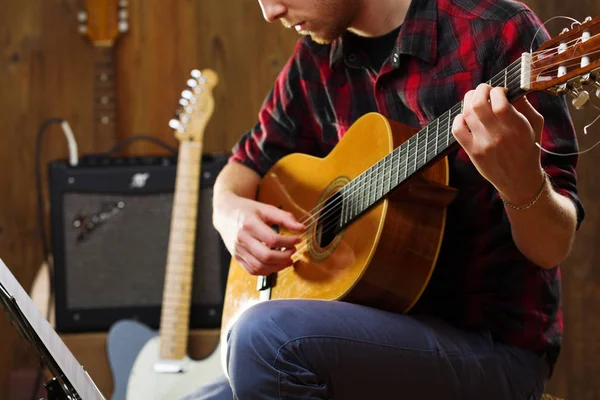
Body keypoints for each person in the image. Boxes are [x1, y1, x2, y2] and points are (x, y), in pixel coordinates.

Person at [187, 0, 585, 399]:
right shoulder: (317, 54)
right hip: (348, 336)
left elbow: (552, 246)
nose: (269, 11)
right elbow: (246, 164)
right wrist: (229, 212)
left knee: (264, 336)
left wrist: (520, 184)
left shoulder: (494, 30)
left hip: (490, 349)